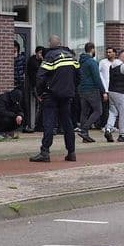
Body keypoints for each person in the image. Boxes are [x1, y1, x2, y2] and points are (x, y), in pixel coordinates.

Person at [30, 35, 80, 163]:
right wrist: (72, 89)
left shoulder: (50, 56)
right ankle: (71, 152)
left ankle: (45, 152)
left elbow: (40, 76)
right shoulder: (71, 56)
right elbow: (79, 75)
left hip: (51, 95)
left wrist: (40, 92)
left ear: (50, 44)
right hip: (67, 95)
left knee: (49, 123)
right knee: (67, 123)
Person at [77, 42, 107, 143]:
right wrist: (103, 91)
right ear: (92, 49)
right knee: (98, 111)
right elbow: (97, 78)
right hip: (92, 90)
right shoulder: (91, 62)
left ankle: (85, 136)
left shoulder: (81, 61)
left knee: (84, 112)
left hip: (82, 90)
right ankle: (84, 130)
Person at [24, 46, 44, 132]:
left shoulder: (41, 61)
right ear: (36, 53)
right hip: (34, 85)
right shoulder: (32, 61)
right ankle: (33, 124)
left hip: (40, 85)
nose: (40, 55)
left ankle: (38, 124)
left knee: (40, 105)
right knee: (38, 103)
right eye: (39, 53)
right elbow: (40, 70)